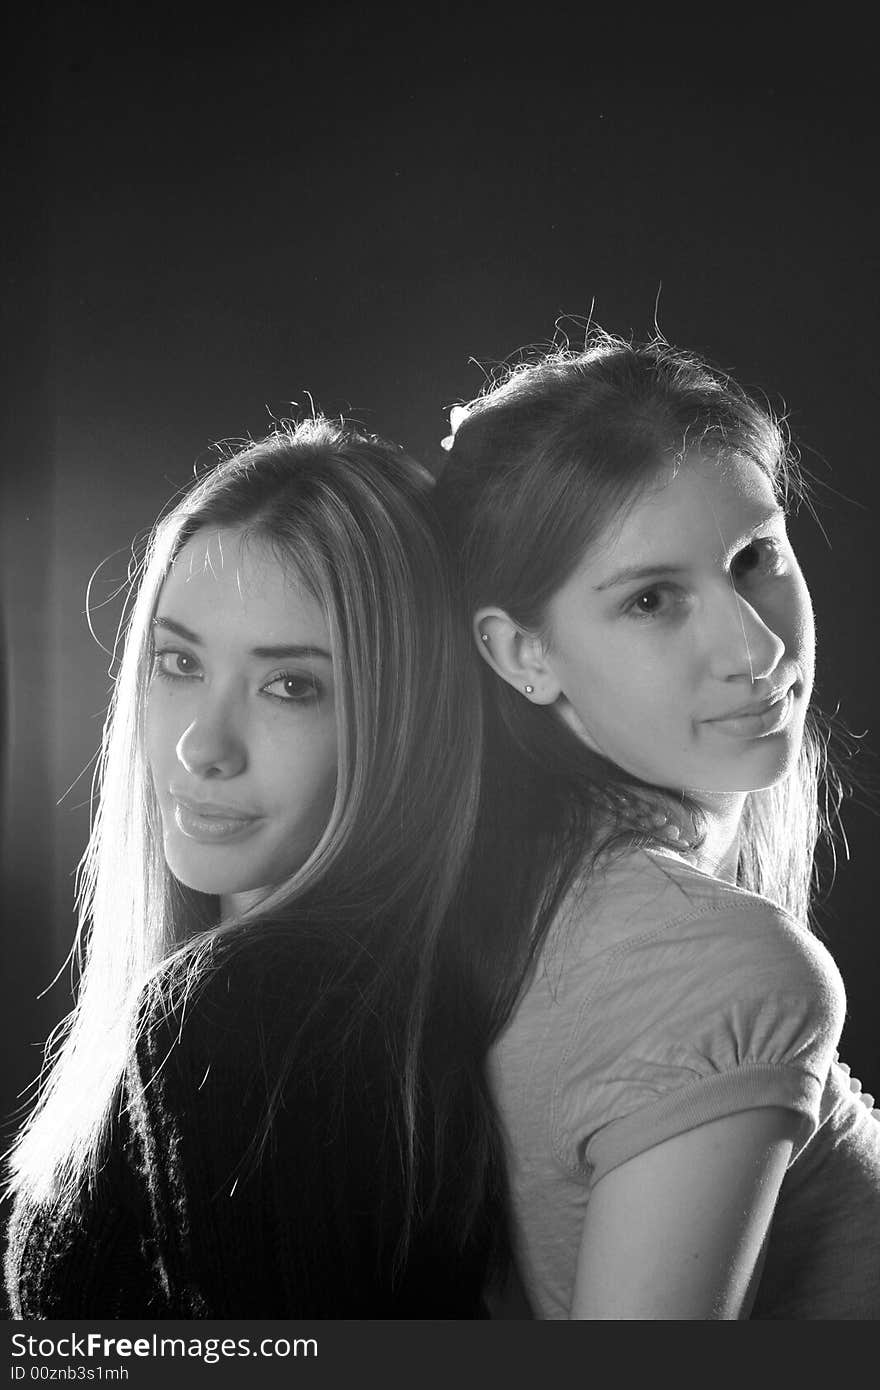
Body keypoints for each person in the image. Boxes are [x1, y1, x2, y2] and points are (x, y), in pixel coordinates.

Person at [3, 417, 507, 1318]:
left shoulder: (255, 1009)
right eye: (178, 662)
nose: (203, 745)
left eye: (292, 686)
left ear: (404, 722)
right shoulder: (341, 995)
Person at [431, 332, 880, 1320]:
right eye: (649, 599)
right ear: (520, 653)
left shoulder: (518, 905)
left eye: (753, 557)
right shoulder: (715, 965)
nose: (755, 647)